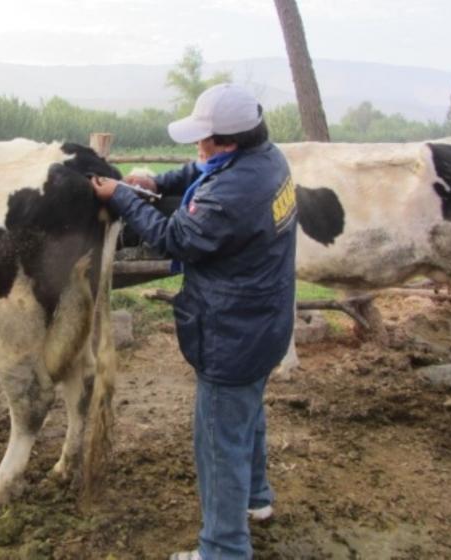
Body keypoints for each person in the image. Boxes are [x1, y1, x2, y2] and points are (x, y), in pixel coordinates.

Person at [92, 83, 297, 560]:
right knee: (247, 416)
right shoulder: (268, 160)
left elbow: (172, 237)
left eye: (204, 139)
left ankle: (223, 549)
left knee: (217, 441)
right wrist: (156, 182)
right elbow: (200, 170)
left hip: (233, 331)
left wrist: (121, 196)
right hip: (265, 323)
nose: (198, 148)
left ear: (230, 140)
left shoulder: (232, 195)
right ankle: (256, 498)